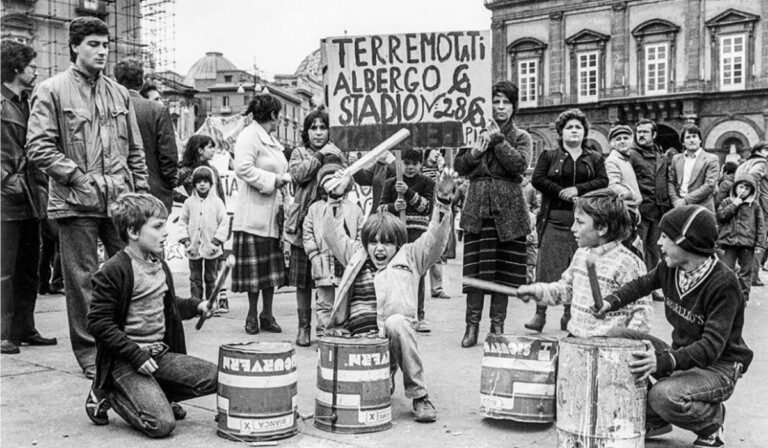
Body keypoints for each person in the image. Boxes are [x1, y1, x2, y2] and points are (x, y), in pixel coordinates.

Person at [26, 17, 149, 377]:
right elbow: (37, 145)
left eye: (105, 44)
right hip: (74, 201)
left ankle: (128, 343)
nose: (101, 51)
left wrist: (140, 196)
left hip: (120, 202)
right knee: (81, 280)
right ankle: (91, 355)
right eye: (93, 44)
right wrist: (77, 176)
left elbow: (135, 151)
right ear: (75, 47)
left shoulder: (119, 93)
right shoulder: (52, 89)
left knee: (130, 271)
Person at [595, 205, 753, 448]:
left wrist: (662, 361)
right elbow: (641, 285)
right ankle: (657, 419)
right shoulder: (670, 268)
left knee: (662, 396)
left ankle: (712, 422)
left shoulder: (724, 284)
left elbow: (710, 348)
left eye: (666, 237)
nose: (658, 242)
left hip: (718, 367)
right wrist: (611, 301)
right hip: (684, 356)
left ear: (686, 242)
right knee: (615, 337)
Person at [322, 169, 458, 423]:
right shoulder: (355, 254)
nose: (379, 248)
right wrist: (334, 198)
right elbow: (332, 234)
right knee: (365, 398)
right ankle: (383, 381)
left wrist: (443, 200)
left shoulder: (410, 256)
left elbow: (436, 239)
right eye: (373, 242)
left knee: (397, 323)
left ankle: (419, 395)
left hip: (389, 340)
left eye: (386, 243)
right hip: (356, 341)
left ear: (398, 243)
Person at [84, 193, 217, 438]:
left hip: (158, 355)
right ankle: (108, 393)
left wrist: (197, 306)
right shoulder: (113, 271)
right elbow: (98, 322)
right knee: (162, 424)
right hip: (126, 360)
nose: (166, 232)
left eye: (165, 224)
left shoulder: (159, 264)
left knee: (218, 377)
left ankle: (157, 394)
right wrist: (135, 354)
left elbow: (167, 304)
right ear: (133, 232)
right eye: (157, 226)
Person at [454, 81, 531, 347]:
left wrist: (497, 139)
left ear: (513, 107)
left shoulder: (521, 136)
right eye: (495, 102)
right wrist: (475, 151)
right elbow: (460, 166)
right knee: (474, 274)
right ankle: (471, 326)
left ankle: (496, 326)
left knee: (504, 274)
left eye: (505, 102)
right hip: (477, 210)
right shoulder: (471, 133)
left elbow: (518, 165)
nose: (500, 107)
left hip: (509, 213)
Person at [517, 189, 651, 337]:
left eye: (579, 222)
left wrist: (626, 346)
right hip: (576, 339)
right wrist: (537, 292)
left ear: (602, 228)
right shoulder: (582, 254)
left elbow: (642, 313)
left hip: (609, 348)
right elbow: (565, 290)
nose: (573, 228)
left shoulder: (629, 263)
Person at [527, 108, 608, 332]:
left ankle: (569, 314)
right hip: (554, 221)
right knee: (546, 268)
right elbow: (538, 179)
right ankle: (540, 314)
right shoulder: (549, 156)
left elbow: (603, 181)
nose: (574, 131)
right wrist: (560, 191)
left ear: (584, 132)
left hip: (584, 224)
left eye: (578, 128)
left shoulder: (594, 158)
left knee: (579, 267)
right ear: (561, 132)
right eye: (569, 127)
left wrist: (577, 189)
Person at [1, 39, 57, 354]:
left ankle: (24, 328)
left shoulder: (26, 101)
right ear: (17, 68)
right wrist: (7, 181)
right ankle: (3, 332)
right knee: (4, 270)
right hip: (6, 200)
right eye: (32, 66)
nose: (36, 71)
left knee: (28, 267)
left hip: (29, 197)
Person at [284, 106, 347, 347]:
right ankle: (303, 328)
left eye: (323, 128)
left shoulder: (337, 152)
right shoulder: (299, 153)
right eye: (314, 128)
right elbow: (298, 175)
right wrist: (320, 156)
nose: (318, 133)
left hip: (331, 220)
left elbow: (346, 178)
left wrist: (336, 157)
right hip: (303, 223)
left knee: (329, 276)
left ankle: (329, 325)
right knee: (303, 281)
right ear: (306, 131)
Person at [232, 93, 291, 335]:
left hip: (272, 215)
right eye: (279, 115)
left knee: (269, 271)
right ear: (273, 115)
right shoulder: (249, 136)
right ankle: (251, 314)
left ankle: (267, 313)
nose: (280, 120)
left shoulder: (271, 140)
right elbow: (242, 168)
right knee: (255, 273)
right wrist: (273, 180)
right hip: (253, 215)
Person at [303, 163, 364, 335]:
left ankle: (342, 330)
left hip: (345, 261)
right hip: (322, 262)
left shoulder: (354, 209)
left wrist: (355, 252)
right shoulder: (315, 209)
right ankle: (323, 332)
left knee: (344, 299)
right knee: (324, 301)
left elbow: (361, 231)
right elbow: (307, 233)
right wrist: (314, 254)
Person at [379, 149, 435, 332]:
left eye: (415, 164)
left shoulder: (427, 183)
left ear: (421, 165)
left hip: (417, 237)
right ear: (400, 164)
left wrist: (408, 193)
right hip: (395, 235)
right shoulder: (390, 183)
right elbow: (380, 210)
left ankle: (419, 316)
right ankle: (393, 315)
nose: (410, 167)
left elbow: (426, 208)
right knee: (394, 275)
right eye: (407, 163)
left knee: (417, 276)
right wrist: (393, 207)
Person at [114, 58, 178, 213]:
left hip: (119, 190)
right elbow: (168, 155)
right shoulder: (157, 110)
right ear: (141, 82)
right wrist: (169, 184)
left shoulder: (110, 108)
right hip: (154, 191)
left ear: (117, 82)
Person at [178, 166, 228, 302]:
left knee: (211, 277)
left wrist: (216, 242)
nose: (202, 184)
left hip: (212, 248)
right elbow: (182, 222)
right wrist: (186, 240)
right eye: (198, 181)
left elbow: (224, 223)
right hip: (193, 248)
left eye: (205, 181)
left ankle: (211, 304)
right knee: (195, 278)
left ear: (211, 184)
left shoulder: (217, 203)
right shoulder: (188, 203)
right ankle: (196, 304)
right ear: (194, 184)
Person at [716, 173, 765, 301]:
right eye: (741, 187)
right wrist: (734, 204)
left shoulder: (754, 205)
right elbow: (721, 216)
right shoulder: (727, 201)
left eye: (747, 188)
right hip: (729, 242)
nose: (743, 191)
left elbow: (761, 225)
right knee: (726, 270)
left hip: (748, 243)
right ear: (735, 187)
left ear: (752, 191)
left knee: (746, 273)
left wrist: (760, 244)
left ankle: (743, 298)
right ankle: (725, 297)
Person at [734, 142, 768, 287]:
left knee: (747, 238)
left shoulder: (744, 164)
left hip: (741, 204)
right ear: (758, 151)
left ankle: (746, 273)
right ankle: (753, 276)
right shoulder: (762, 162)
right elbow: (754, 176)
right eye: (766, 150)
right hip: (761, 205)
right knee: (760, 239)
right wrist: (756, 198)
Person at [668, 124, 719, 213]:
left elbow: (709, 185)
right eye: (688, 137)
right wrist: (675, 200)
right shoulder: (676, 159)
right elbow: (671, 181)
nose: (691, 140)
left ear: (700, 140)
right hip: (679, 207)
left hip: (702, 208)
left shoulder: (711, 159)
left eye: (694, 136)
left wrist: (686, 200)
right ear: (683, 142)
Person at [421, 148, 450, 299]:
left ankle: (437, 288)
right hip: (422, 212)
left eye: (440, 150)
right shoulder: (419, 167)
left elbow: (448, 189)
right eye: (435, 149)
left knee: (436, 249)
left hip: (436, 211)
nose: (438, 152)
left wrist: (442, 169)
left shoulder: (443, 169)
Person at [175, 134, 225, 204]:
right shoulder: (185, 171)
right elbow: (167, 189)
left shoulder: (213, 170)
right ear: (200, 150)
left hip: (214, 213)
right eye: (210, 147)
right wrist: (186, 200)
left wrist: (223, 212)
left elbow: (220, 195)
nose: (213, 150)